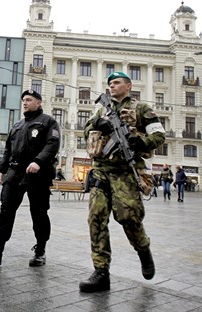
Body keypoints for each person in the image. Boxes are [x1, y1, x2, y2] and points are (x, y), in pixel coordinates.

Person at [78, 71, 165, 292]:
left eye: (116, 83)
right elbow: (87, 129)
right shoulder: (101, 108)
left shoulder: (142, 109)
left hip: (126, 172)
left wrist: (138, 140)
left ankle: (143, 251)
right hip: (100, 171)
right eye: (109, 84)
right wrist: (98, 123)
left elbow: (159, 136)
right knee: (96, 219)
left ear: (129, 86)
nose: (112, 86)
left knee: (129, 218)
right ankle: (101, 272)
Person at [0, 89, 60, 267]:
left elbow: (52, 144)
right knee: (6, 210)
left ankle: (40, 251)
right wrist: (1, 169)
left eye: (29, 100)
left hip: (37, 174)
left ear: (38, 103)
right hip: (15, 174)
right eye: (23, 100)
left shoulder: (48, 122)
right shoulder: (18, 125)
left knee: (38, 213)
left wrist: (38, 161)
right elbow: (8, 150)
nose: (25, 102)